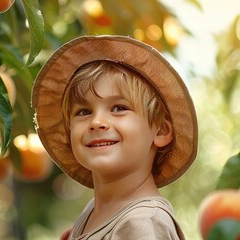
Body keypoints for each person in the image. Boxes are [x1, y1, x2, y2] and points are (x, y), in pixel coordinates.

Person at [32, 35, 198, 239]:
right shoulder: (93, 212)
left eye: (119, 108)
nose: (96, 122)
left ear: (161, 131)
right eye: (83, 112)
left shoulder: (142, 224)